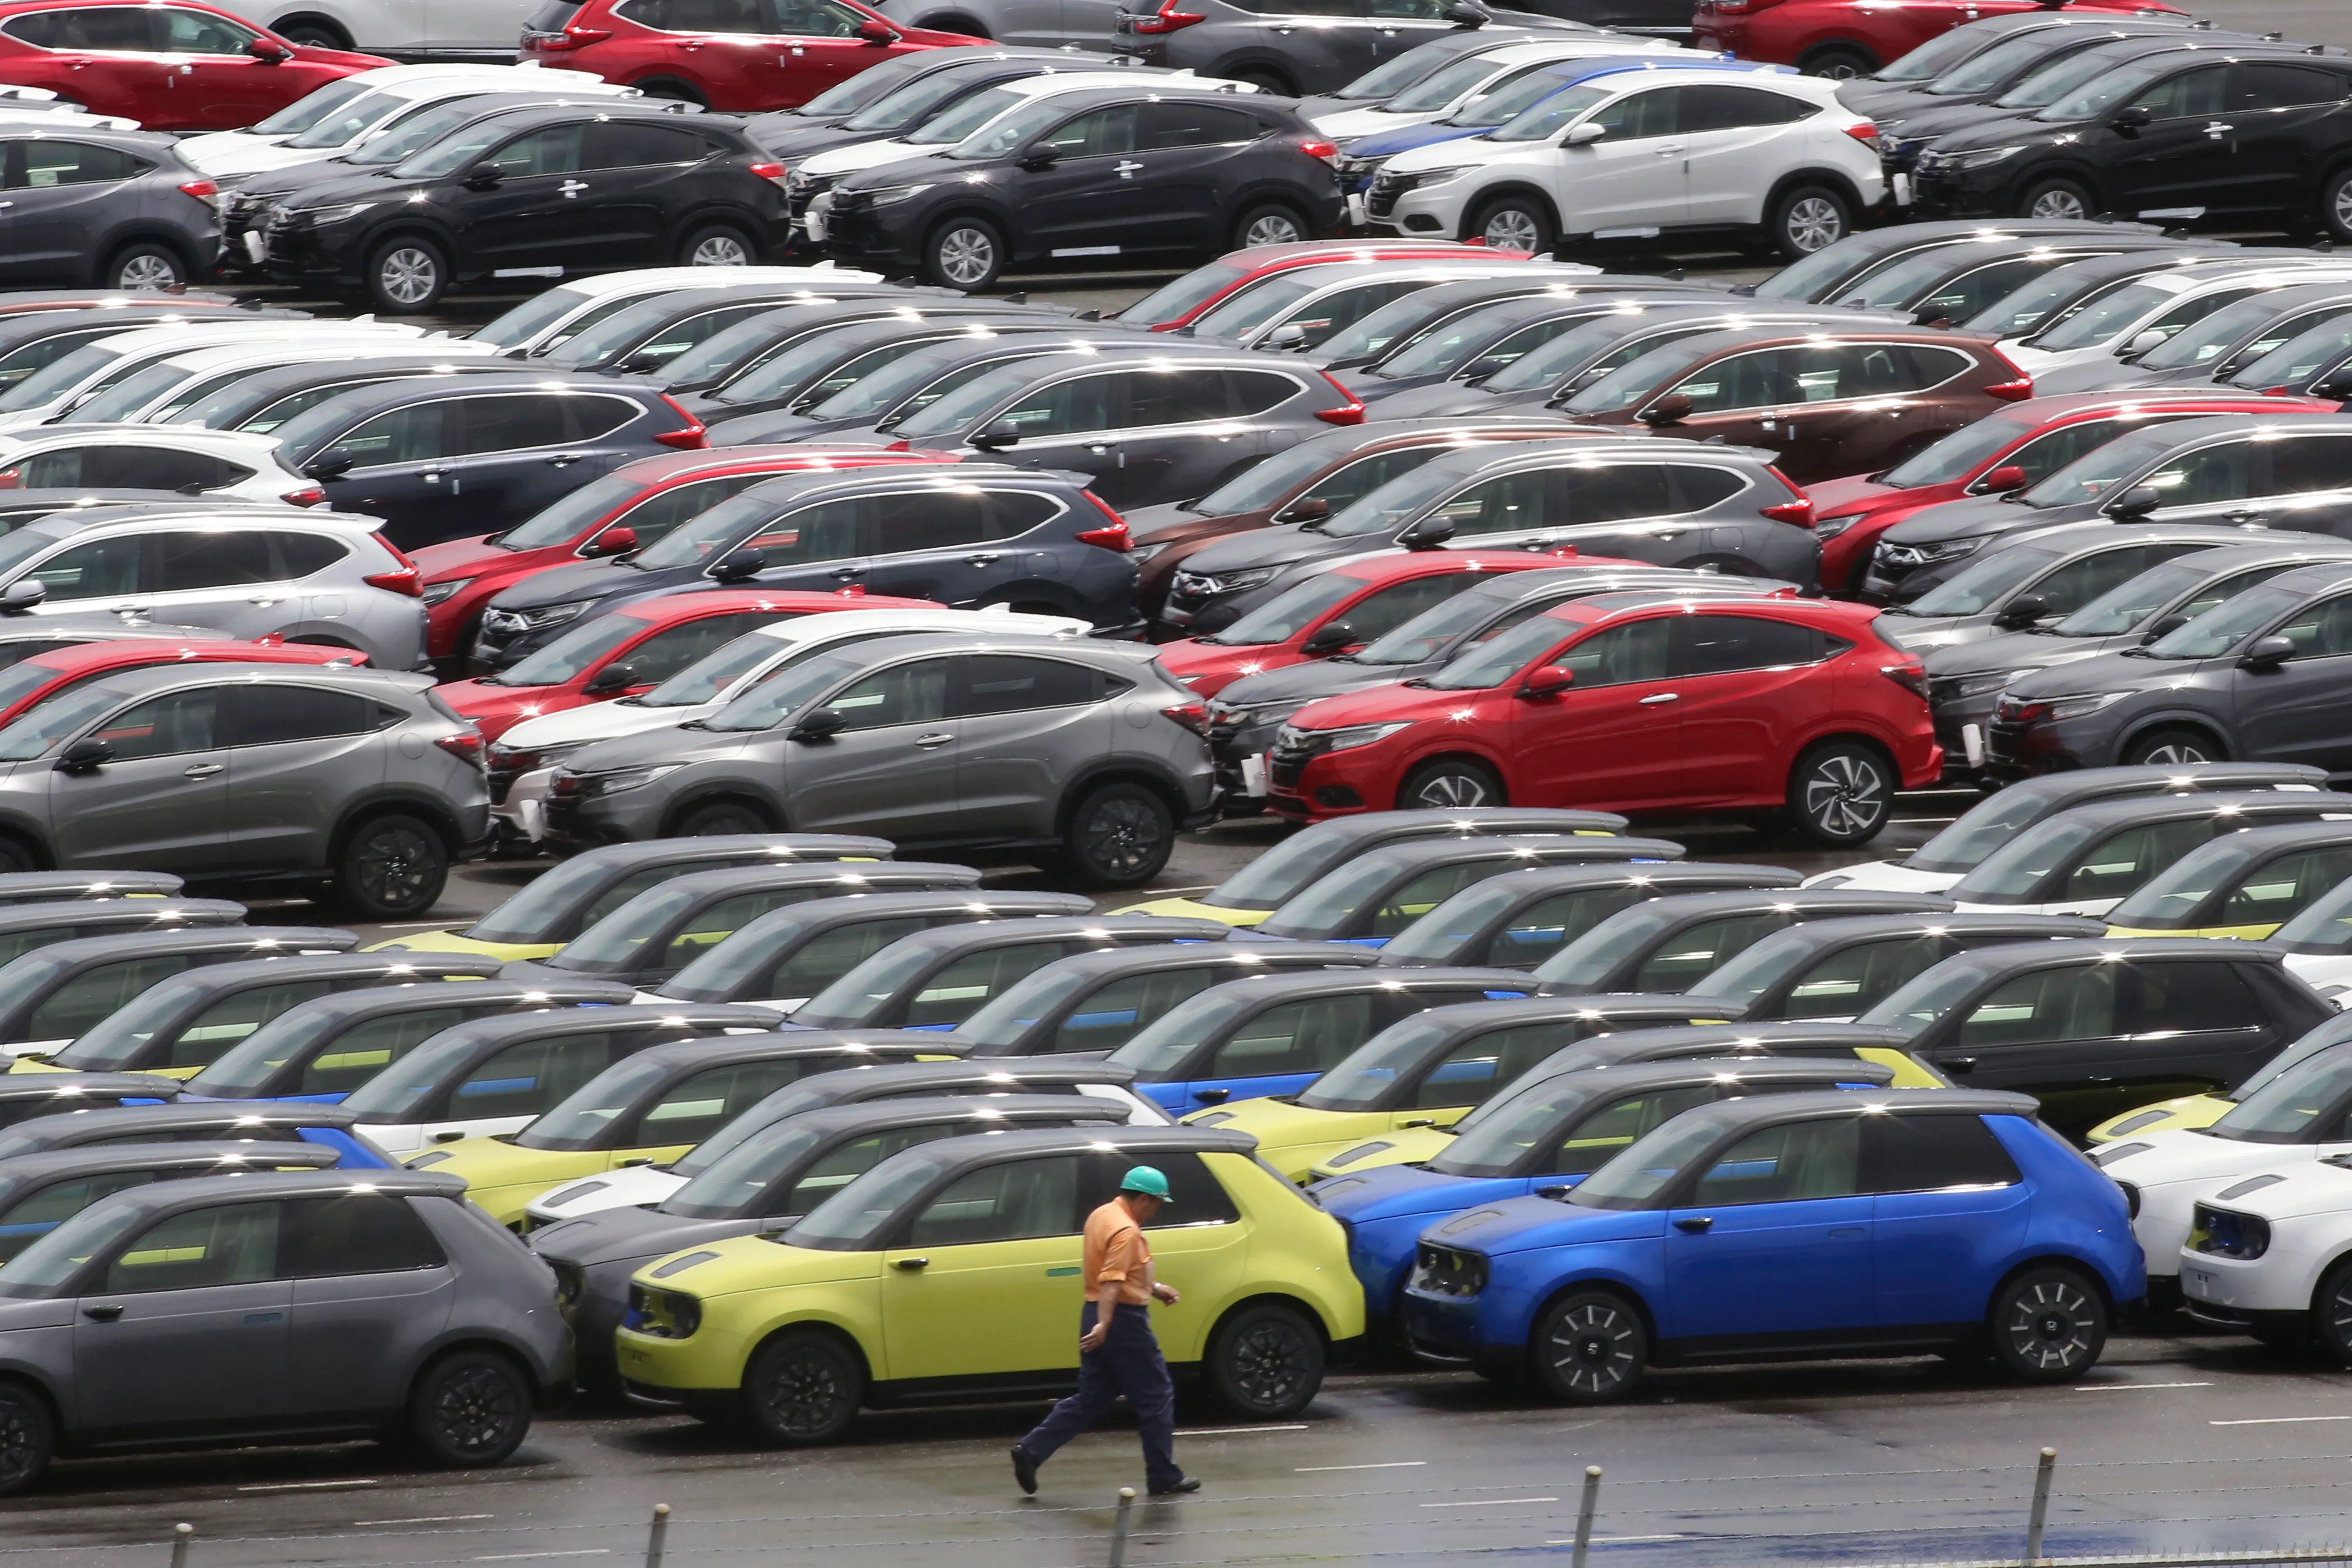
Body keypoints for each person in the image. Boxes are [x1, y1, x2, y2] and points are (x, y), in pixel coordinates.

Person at [1010, 1165, 1200, 1498]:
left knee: (1093, 1396)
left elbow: (1115, 1270)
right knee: (1157, 1394)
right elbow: (1111, 1280)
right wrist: (1106, 1324)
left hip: (1095, 1311)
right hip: (1120, 1320)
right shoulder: (1127, 1230)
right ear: (1143, 1198)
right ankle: (1163, 1475)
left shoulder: (1102, 1215)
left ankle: (1032, 1449)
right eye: (1156, 1203)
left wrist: (1153, 1287)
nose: (1156, 1211)